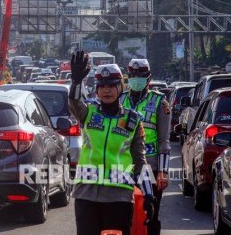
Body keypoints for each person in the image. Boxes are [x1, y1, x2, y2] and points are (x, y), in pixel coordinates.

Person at [68, 51, 154, 235]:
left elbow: (140, 160)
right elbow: (74, 102)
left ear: (120, 88)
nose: (107, 90)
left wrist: (148, 194)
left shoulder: (133, 120)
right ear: (97, 89)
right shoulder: (88, 113)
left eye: (112, 85)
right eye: (102, 86)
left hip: (119, 197)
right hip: (86, 195)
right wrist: (76, 82)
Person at [119, 58, 171, 235]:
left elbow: (164, 140)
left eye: (140, 76)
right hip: (123, 165)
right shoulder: (120, 99)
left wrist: (163, 171)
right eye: (132, 75)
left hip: (151, 166)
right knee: (123, 213)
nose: (135, 79)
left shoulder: (159, 102)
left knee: (151, 213)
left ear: (148, 78)